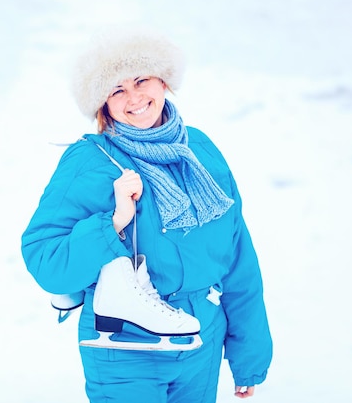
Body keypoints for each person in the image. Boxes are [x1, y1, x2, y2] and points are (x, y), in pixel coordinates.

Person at [21, 26, 272, 403]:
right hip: (125, 350)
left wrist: (249, 354)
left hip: (199, 344)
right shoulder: (89, 162)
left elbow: (239, 259)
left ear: (164, 82)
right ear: (102, 103)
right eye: (116, 89)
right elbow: (45, 258)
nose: (134, 97)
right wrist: (113, 223)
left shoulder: (200, 150)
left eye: (141, 80)